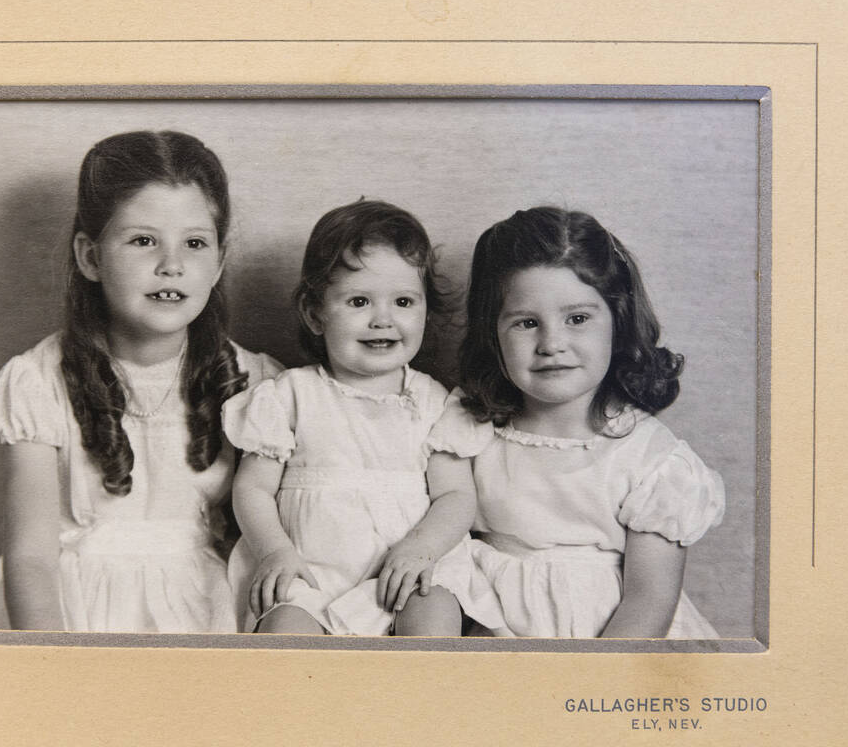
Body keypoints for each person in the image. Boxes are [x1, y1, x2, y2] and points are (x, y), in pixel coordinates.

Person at [0, 130, 280, 633]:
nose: (171, 265)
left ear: (219, 261)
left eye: (195, 243)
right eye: (143, 240)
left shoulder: (258, 383)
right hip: (70, 606)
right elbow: (31, 557)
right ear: (91, 257)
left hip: (204, 603)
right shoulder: (37, 381)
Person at [429, 206, 725, 638]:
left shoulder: (651, 459)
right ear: (491, 335)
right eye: (526, 323)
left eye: (578, 319)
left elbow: (650, 600)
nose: (552, 343)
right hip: (495, 639)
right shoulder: (471, 431)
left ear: (617, 323)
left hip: (611, 650)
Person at [224, 200, 498, 636]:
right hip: (311, 571)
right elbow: (253, 487)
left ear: (426, 309)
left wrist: (422, 549)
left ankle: (424, 703)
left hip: (408, 571)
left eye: (404, 301)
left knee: (435, 616)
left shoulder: (433, 401)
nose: (383, 319)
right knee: (285, 634)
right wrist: (275, 551)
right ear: (316, 314)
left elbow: (456, 496)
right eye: (358, 301)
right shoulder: (289, 395)